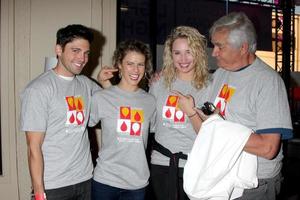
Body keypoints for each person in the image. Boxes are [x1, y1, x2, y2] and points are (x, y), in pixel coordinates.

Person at [176, 12, 293, 200]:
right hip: (222, 174)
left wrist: (221, 130)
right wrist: (192, 114)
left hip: (254, 183)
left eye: (219, 46)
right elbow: (208, 131)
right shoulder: (221, 74)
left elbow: (268, 148)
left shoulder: (268, 81)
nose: (213, 52)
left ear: (243, 48)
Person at [20, 24, 101, 200]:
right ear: (58, 49)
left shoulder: (86, 84)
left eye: (86, 53)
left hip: (85, 179)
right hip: (54, 185)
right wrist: (39, 192)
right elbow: (33, 147)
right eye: (75, 50)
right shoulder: (39, 89)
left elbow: (112, 101)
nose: (82, 58)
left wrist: (105, 82)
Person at [89, 39, 156, 200]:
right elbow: (83, 129)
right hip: (105, 180)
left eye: (140, 64)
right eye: (130, 64)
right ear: (119, 64)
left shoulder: (150, 101)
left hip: (137, 184)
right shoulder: (101, 97)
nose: (136, 70)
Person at [149, 26, 209, 200]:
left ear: (198, 53)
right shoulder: (159, 83)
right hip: (161, 163)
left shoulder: (210, 86)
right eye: (177, 53)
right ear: (170, 55)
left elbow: (212, 132)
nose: (183, 59)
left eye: (188, 52)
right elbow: (150, 122)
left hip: (195, 165)